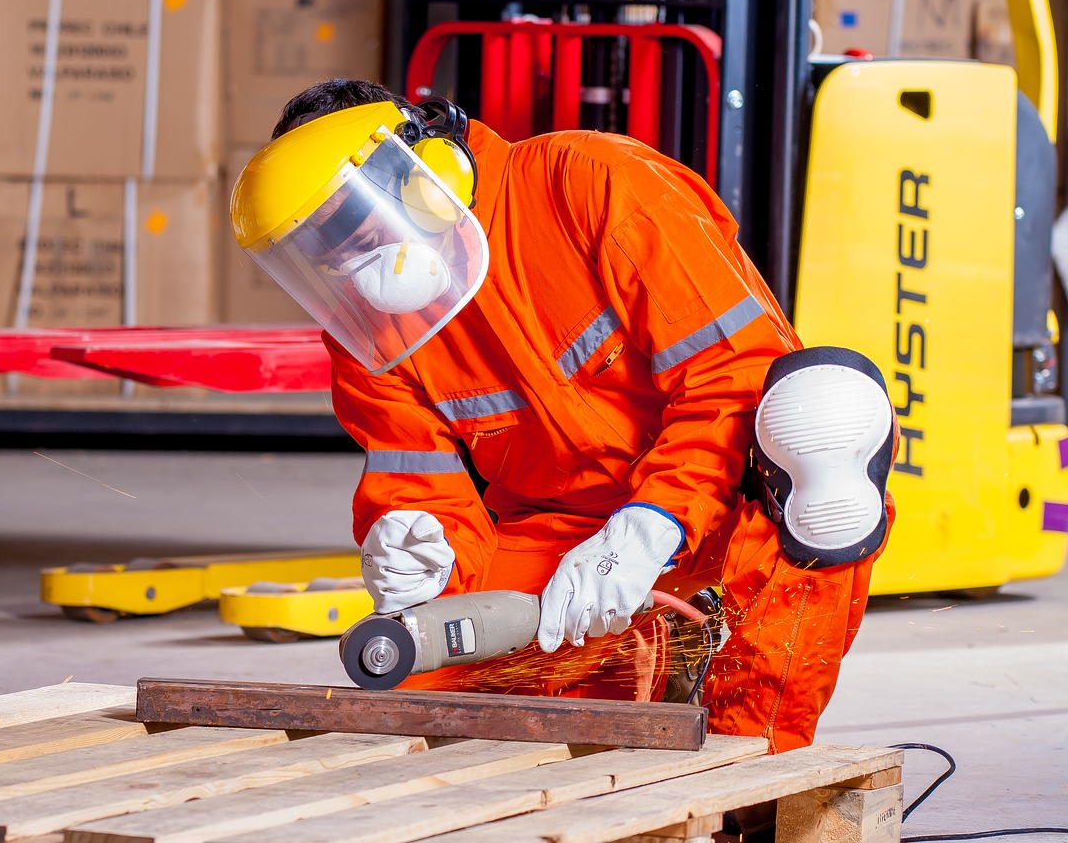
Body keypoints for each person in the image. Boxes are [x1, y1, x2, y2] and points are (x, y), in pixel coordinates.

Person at [229, 78, 898, 756]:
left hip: (724, 492)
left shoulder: (595, 183)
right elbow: (416, 478)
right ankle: (661, 656)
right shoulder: (367, 330)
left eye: (347, 224)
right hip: (566, 531)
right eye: (317, 248)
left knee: (825, 427)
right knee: (426, 684)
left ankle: (749, 768)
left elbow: (735, 377)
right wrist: (414, 547)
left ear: (424, 171)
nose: (343, 261)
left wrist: (653, 523)